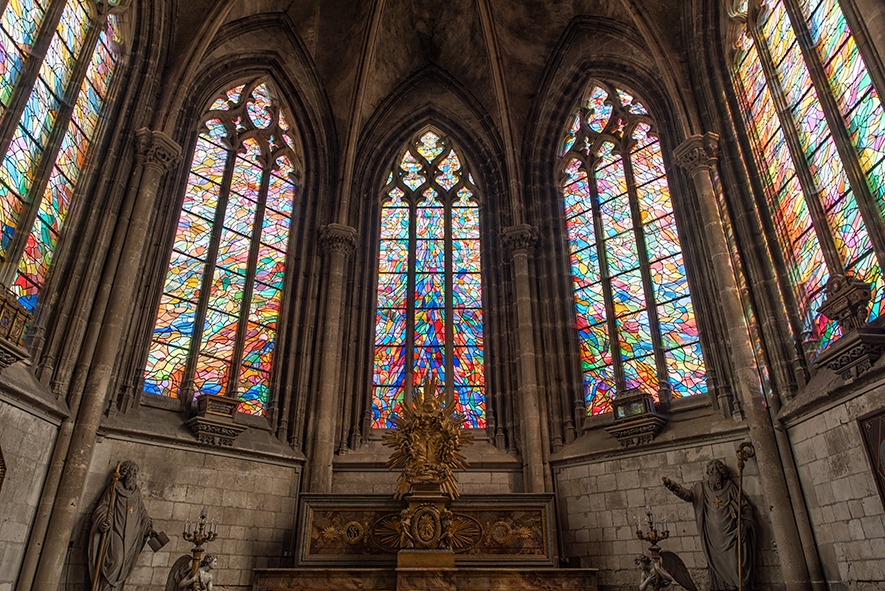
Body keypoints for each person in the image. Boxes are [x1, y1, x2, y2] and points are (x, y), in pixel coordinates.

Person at [662, 460, 755, 591]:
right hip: (713, 538)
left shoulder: (730, 487)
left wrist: (744, 524)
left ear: (722, 473)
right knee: (716, 567)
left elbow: (746, 507)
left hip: (731, 535)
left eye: (715, 471)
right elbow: (689, 495)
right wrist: (675, 488)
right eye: (710, 472)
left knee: (735, 564)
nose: (712, 475)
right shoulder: (701, 488)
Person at [89, 461, 154, 591]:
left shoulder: (136, 493)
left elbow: (142, 513)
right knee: (116, 561)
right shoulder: (114, 489)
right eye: (133, 472)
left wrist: (148, 526)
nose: (135, 475)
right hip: (116, 531)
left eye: (136, 473)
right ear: (125, 473)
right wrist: (103, 520)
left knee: (124, 565)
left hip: (132, 536)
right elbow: (103, 508)